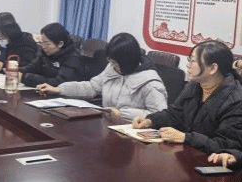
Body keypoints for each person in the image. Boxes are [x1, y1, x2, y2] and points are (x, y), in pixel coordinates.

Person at [132, 40, 242, 154]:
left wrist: (186, 137)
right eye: (189, 60)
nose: (188, 65)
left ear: (213, 68)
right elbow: (175, 114)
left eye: (193, 61)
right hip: (188, 156)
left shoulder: (236, 100)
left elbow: (228, 145)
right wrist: (151, 121)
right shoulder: (195, 85)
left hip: (214, 163)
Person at [37, 33, 167, 121]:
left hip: (134, 137)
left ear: (127, 61)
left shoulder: (150, 83)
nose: (112, 66)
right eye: (110, 61)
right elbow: (92, 87)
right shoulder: (113, 68)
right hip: (108, 127)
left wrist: (123, 114)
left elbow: (161, 115)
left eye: (115, 63)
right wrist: (59, 89)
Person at [19, 22, 87, 87]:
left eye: (47, 44)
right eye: (41, 43)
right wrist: (15, 71)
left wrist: (25, 78)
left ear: (60, 44)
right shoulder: (46, 54)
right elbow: (31, 68)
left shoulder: (73, 59)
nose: (43, 46)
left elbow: (59, 83)